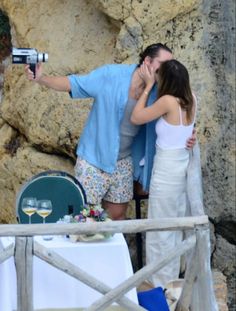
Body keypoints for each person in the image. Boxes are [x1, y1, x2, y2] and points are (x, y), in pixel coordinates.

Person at [25, 43, 195, 220]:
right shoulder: (111, 75)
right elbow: (73, 83)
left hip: (124, 160)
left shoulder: (160, 91)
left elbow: (180, 113)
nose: (168, 69)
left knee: (117, 216)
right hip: (94, 158)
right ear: (147, 61)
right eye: (163, 64)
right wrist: (41, 78)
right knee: (83, 216)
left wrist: (190, 136)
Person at [131, 59, 197, 287]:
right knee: (174, 226)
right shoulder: (191, 99)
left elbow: (136, 117)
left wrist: (148, 86)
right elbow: (186, 133)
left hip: (167, 172)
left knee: (160, 228)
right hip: (182, 171)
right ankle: (170, 280)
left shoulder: (167, 101)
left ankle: (161, 284)